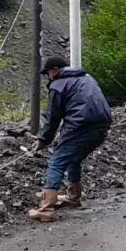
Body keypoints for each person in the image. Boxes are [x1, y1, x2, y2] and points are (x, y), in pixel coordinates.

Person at [29, 57, 113, 222]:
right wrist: (62, 135)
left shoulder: (58, 85)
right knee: (74, 158)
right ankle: (73, 197)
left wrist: (42, 140)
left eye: (47, 73)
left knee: (57, 161)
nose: (47, 77)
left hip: (80, 127)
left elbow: (53, 118)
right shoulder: (87, 78)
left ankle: (46, 210)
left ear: (55, 70)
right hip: (102, 127)